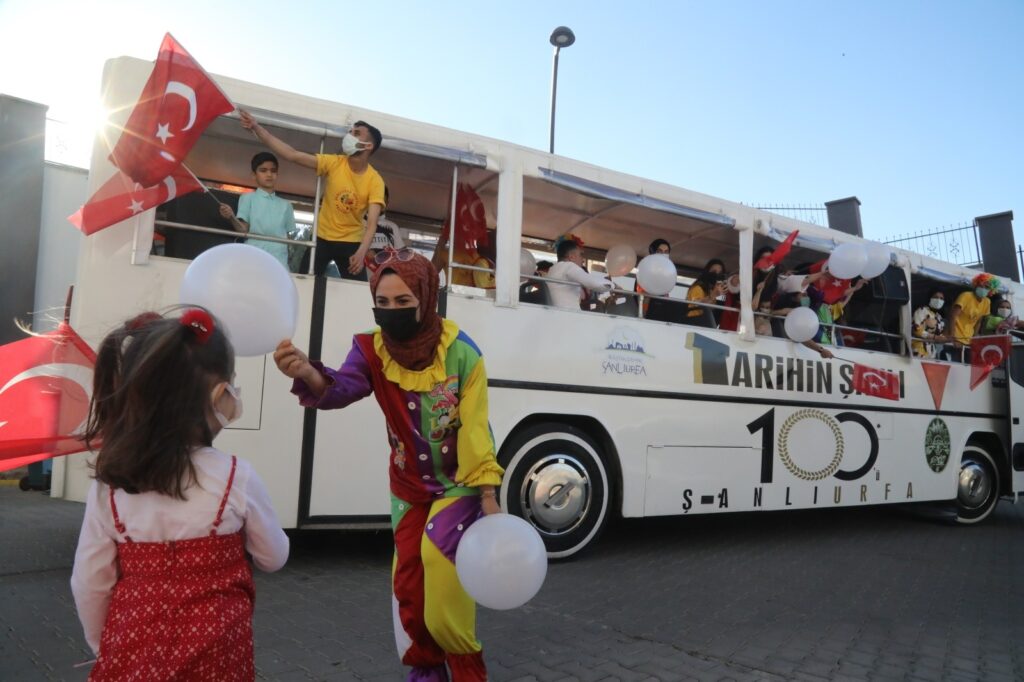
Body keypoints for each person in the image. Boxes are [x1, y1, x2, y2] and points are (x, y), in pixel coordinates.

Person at [274, 249, 502, 680]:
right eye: (383, 303)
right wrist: (307, 372)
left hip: (460, 482)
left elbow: (475, 429)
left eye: (403, 302)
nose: (392, 312)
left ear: (425, 298)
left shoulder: (462, 354)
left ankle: (469, 669)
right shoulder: (371, 349)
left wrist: (487, 494)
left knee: (440, 558)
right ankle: (427, 670)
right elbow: (341, 388)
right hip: (408, 485)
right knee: (408, 580)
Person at [70, 308, 289, 681]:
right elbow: (273, 557)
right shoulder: (236, 476)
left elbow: (89, 581)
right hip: (217, 656)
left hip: (131, 651)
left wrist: (103, 645)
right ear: (221, 393)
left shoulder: (110, 485)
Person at [239, 110, 385, 279]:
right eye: (350, 132)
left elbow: (372, 223)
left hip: (351, 242)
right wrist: (257, 127)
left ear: (368, 146)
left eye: (356, 134)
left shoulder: (375, 181)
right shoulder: (334, 162)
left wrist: (361, 253)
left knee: (358, 290)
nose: (350, 136)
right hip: (321, 237)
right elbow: (292, 154)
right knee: (303, 282)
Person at [219, 152, 297, 269]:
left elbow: (289, 239)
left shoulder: (287, 205)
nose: (269, 174)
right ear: (254, 175)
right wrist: (231, 216)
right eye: (263, 170)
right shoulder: (247, 198)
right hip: (253, 255)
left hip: (279, 259)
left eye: (273, 170)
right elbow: (243, 229)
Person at [547, 235, 614, 310]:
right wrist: (612, 285)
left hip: (558, 313)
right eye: (580, 255)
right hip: (570, 315)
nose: (582, 260)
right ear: (571, 257)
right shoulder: (569, 266)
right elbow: (594, 283)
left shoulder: (552, 270)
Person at [949, 273, 1000, 360]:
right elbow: (953, 316)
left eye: (987, 287)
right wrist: (953, 338)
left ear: (991, 290)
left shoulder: (987, 302)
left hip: (968, 340)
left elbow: (979, 321)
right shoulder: (966, 296)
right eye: (981, 285)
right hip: (956, 338)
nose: (983, 288)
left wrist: (974, 338)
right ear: (976, 284)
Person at [638, 239, 684, 322]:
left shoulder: (667, 272)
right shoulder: (644, 270)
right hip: (644, 314)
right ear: (653, 252)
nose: (663, 254)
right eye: (660, 251)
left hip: (662, 314)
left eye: (666, 252)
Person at [684, 259, 728, 327]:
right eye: (713, 271)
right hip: (692, 323)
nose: (716, 275)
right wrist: (713, 295)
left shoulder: (710, 291)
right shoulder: (697, 287)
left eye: (719, 273)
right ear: (707, 272)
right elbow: (697, 304)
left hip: (705, 324)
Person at [912, 289, 949, 358]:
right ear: (930, 298)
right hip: (918, 351)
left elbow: (939, 334)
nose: (939, 300)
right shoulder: (922, 310)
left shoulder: (938, 317)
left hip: (931, 353)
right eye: (936, 297)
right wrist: (934, 337)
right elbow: (916, 330)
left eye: (941, 298)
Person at [368, 187, 406, 254]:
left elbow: (402, 254)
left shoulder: (393, 227)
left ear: (387, 203)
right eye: (376, 201)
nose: (379, 205)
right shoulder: (359, 224)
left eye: (382, 202)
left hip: (386, 263)